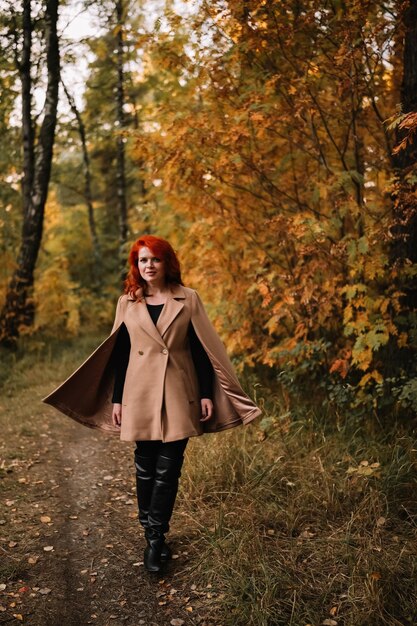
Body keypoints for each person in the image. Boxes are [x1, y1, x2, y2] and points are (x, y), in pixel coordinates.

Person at [43, 235, 261, 574]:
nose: (149, 265)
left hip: (179, 390)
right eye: (143, 260)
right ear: (137, 266)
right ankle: (150, 528)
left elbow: (203, 349)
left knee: (169, 467)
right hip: (138, 392)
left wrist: (206, 393)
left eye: (155, 259)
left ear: (166, 263)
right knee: (145, 464)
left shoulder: (188, 299)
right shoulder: (127, 302)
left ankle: (156, 538)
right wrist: (117, 399)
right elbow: (119, 351)